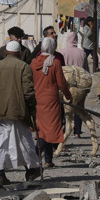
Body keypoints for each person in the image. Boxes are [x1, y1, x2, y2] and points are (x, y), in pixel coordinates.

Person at [0, 40, 40, 188]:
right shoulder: (23, 66)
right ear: (20, 53)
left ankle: (1, 175)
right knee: (23, 142)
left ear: (6, 53)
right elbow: (28, 92)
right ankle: (31, 171)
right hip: (17, 110)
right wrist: (33, 108)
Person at [30, 37, 72, 168]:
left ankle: (48, 160)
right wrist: (68, 95)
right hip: (51, 101)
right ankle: (35, 156)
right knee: (49, 130)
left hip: (37, 100)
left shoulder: (33, 63)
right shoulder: (55, 63)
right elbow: (61, 83)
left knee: (44, 128)